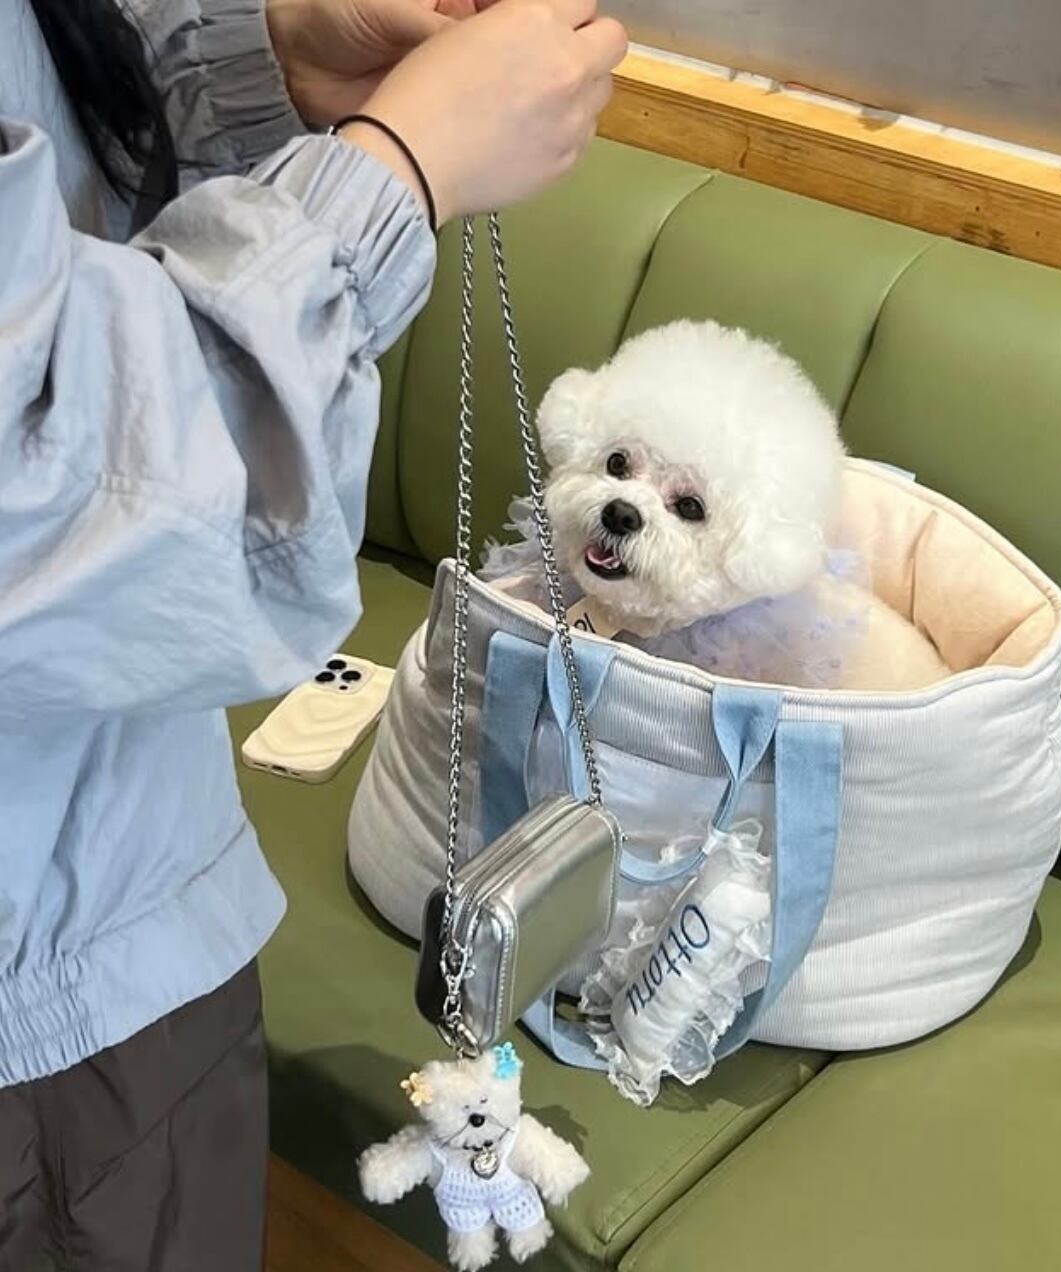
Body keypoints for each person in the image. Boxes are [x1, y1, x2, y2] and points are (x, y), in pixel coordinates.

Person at [0, 0, 626, 1267]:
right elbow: (72, 501)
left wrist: (263, 62)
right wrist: (395, 173)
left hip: (97, 877)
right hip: (56, 989)